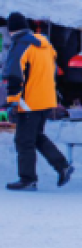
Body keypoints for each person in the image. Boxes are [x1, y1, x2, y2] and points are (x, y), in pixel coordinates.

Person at [3, 12, 74, 191]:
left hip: (29, 102)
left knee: (23, 141)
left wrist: (12, 102)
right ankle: (62, 166)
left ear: (12, 30)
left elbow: (14, 75)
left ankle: (28, 179)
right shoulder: (45, 44)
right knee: (35, 137)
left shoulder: (20, 44)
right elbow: (53, 70)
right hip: (45, 100)